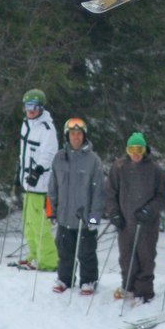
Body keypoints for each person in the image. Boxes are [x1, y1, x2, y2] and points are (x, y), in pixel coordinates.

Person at [105, 132, 165, 304]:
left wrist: (149, 210)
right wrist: (114, 213)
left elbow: (163, 196)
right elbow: (110, 194)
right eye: (132, 149)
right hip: (125, 222)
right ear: (127, 150)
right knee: (126, 257)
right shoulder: (119, 167)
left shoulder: (155, 170)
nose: (135, 153)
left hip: (146, 224)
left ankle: (144, 292)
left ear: (144, 150)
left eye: (139, 149)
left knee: (146, 257)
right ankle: (128, 287)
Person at [48, 118, 105, 295]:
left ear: (84, 136)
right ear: (67, 136)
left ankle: (89, 280)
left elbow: (98, 193)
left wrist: (94, 218)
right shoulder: (59, 158)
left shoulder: (93, 160)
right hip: (65, 216)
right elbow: (52, 187)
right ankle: (65, 279)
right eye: (72, 134)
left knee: (86, 252)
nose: (76, 137)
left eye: (79, 134)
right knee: (65, 252)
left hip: (85, 219)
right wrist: (52, 212)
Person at [17, 88, 59, 271]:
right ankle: (33, 255)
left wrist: (37, 171)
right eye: (27, 106)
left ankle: (49, 261)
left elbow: (49, 154)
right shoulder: (26, 124)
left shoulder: (47, 129)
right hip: (26, 181)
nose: (30, 110)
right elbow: (24, 152)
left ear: (41, 108)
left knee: (39, 224)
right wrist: (18, 171)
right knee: (28, 223)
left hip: (39, 184)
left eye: (34, 106)